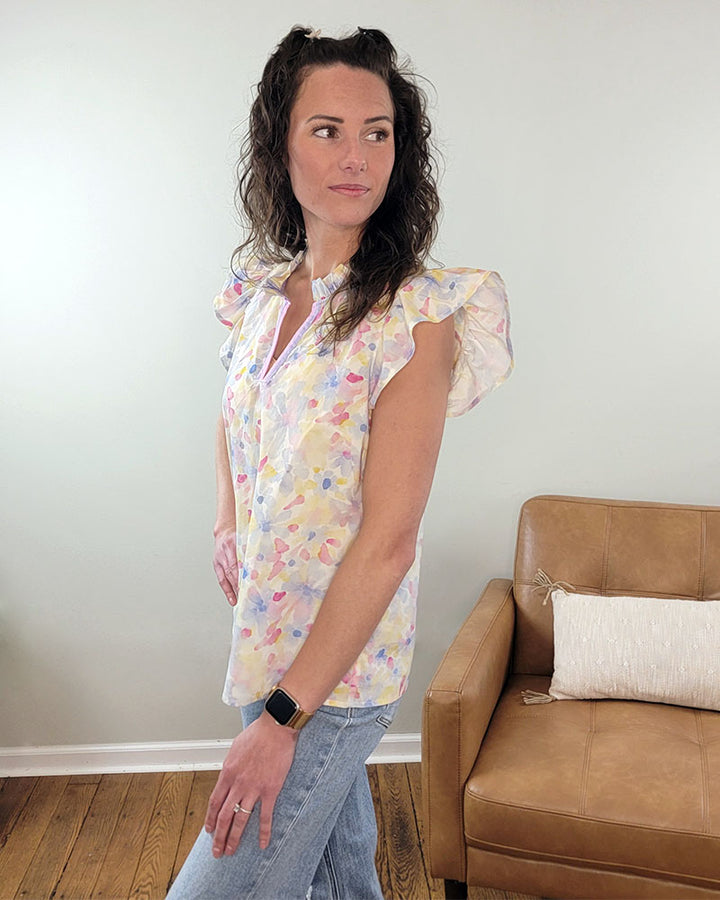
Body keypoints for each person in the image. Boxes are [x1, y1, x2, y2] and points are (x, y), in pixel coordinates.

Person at [167, 25, 513, 900]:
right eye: (326, 129)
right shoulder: (259, 291)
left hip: (338, 671)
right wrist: (226, 519)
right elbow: (233, 409)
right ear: (278, 144)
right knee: (340, 873)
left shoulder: (417, 318)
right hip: (263, 634)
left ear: (403, 148)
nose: (356, 155)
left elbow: (391, 540)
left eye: (377, 131)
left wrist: (281, 724)